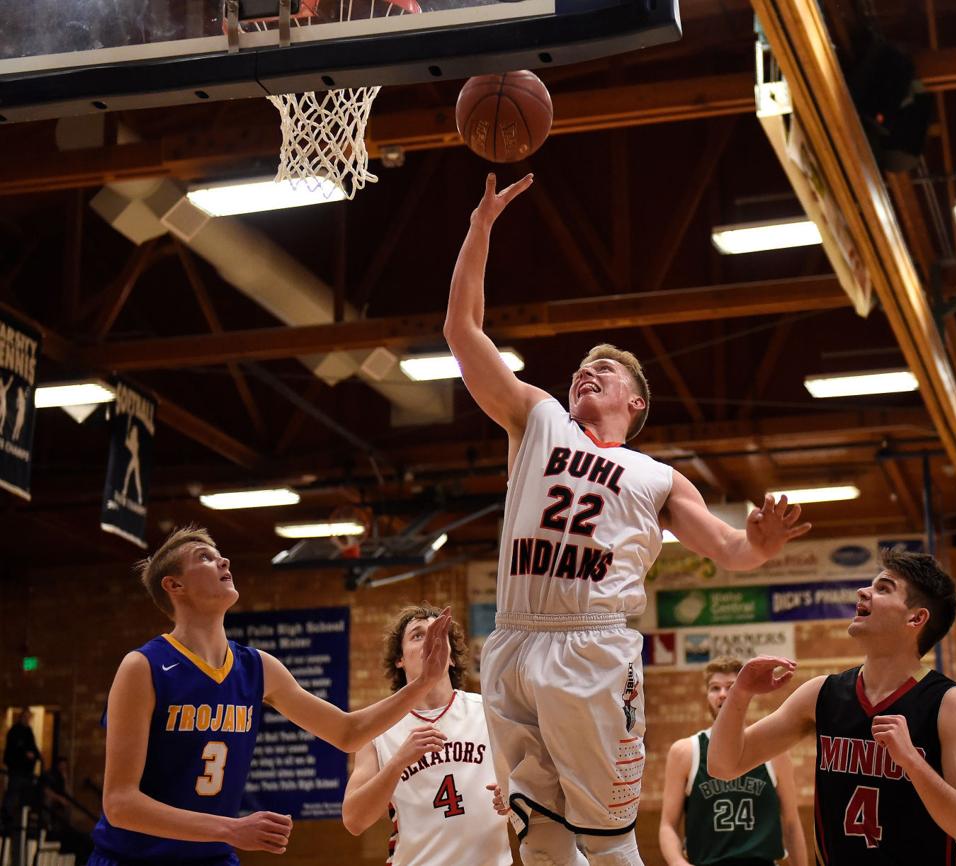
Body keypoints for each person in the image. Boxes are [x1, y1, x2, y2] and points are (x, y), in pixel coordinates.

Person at [444, 173, 813, 866]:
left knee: (608, 841)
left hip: (592, 652)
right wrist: (480, 229)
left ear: (636, 402)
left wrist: (759, 545)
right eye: (584, 365)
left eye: (607, 369)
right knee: (541, 836)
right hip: (514, 641)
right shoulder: (537, 417)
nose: (589, 371)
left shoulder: (658, 477)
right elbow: (462, 332)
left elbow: (731, 549)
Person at [88, 526, 454, 866]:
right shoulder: (143, 667)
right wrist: (231, 828)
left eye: (220, 555)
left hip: (211, 858)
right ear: (174, 585)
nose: (223, 561)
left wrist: (421, 684)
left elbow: (347, 733)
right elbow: (120, 803)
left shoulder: (258, 667)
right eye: (204, 557)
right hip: (132, 858)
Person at [708, 548, 956, 865]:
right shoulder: (821, 693)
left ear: (916, 617)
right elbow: (723, 766)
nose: (863, 591)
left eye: (883, 588)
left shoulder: (950, 702)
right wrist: (740, 693)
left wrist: (912, 762)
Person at [342, 603, 510, 866]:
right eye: (418, 635)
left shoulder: (489, 712)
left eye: (438, 634)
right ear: (399, 659)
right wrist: (397, 763)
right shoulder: (380, 730)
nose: (430, 641)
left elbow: (535, 780)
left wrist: (514, 795)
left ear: (451, 656)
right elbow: (354, 820)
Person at [659, 657, 806, 866]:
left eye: (731, 687)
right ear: (707, 695)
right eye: (714, 688)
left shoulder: (775, 752)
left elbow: (791, 823)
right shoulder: (685, 752)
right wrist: (677, 862)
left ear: (746, 691)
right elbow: (667, 825)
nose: (722, 694)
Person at [3, 707, 41, 827]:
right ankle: (7, 818)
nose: (27, 719)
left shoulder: (28, 731)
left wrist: (37, 756)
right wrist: (25, 753)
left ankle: (20, 819)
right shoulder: (15, 731)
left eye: (29, 717)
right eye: (25, 717)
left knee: (23, 795)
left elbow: (33, 747)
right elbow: (14, 749)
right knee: (13, 793)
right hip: (17, 769)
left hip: (26, 771)